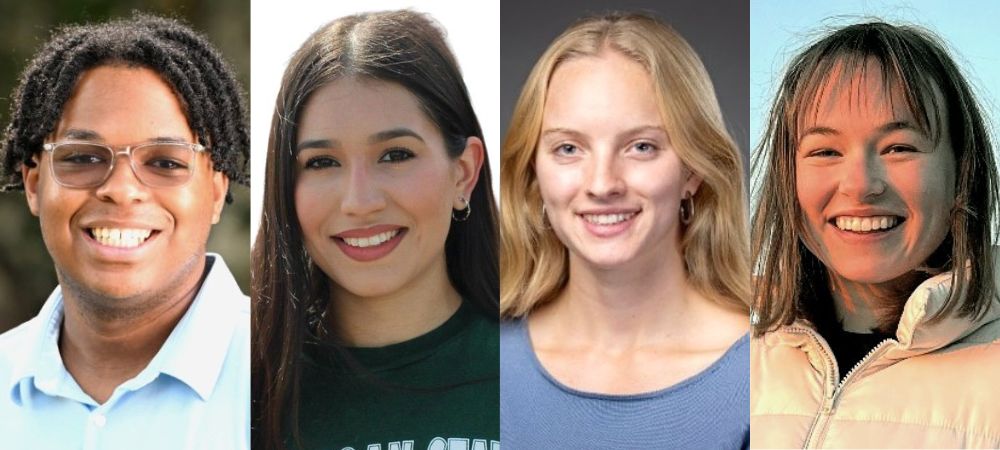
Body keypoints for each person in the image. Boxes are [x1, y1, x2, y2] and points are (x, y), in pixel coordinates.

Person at [0, 13, 250, 450]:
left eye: (165, 162)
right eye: (82, 158)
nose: (120, 189)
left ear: (214, 192)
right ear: (34, 184)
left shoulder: (304, 375)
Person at [500, 12, 750, 448]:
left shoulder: (767, 370)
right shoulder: (480, 363)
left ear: (692, 169)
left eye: (641, 147)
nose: (602, 184)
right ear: (533, 173)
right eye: (568, 148)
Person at [251, 10, 499, 450]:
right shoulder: (243, 395)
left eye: (395, 155)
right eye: (322, 163)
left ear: (463, 173)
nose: (359, 202)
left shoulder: (543, 377)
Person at [751, 21, 1000, 448]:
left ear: (962, 170)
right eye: (825, 151)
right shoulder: (731, 366)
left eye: (899, 147)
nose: (861, 185)